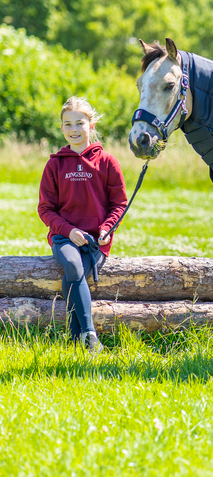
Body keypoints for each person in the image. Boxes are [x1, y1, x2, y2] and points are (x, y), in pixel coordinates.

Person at [38, 97, 127, 352]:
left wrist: (106, 229)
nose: (74, 130)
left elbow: (119, 204)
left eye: (79, 123)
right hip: (64, 237)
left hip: (95, 242)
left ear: (91, 124)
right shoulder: (55, 163)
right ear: (62, 128)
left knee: (71, 279)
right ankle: (90, 336)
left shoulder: (107, 162)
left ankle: (74, 338)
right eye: (67, 124)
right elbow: (45, 209)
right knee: (73, 267)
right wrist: (68, 231)